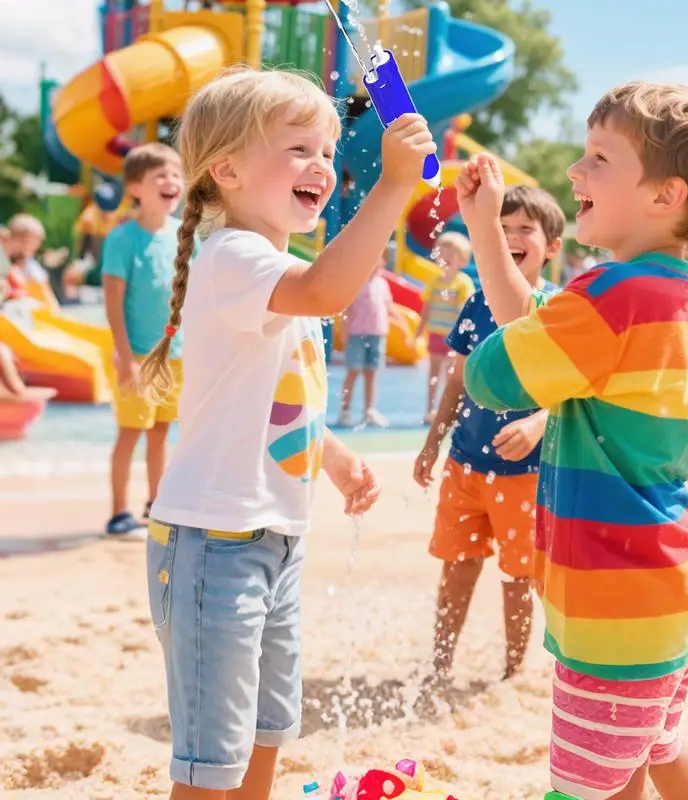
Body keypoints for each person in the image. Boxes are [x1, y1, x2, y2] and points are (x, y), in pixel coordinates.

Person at [457, 82, 688, 800]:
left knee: (581, 788)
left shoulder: (612, 298)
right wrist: (485, 232)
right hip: (665, 594)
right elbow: (536, 328)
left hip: (615, 610)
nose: (574, 171)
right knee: (650, 755)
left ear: (665, 196)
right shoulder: (671, 292)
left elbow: (495, 372)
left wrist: (498, 349)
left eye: (599, 157)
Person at [137, 68, 435, 800]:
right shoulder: (233, 255)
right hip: (213, 546)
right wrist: (393, 187)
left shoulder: (272, 265)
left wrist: (327, 453)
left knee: (268, 731)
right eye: (298, 147)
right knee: (213, 762)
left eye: (328, 150)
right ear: (227, 170)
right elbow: (331, 292)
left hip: (273, 541)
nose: (322, 166)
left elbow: (272, 391)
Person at [413, 185, 564, 685]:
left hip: (526, 474)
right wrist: (433, 442)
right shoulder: (477, 303)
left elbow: (576, 390)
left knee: (519, 576)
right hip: (465, 463)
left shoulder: (559, 310)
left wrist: (538, 421)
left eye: (525, 229)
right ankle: (439, 666)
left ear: (552, 246)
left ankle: (512, 672)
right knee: (456, 568)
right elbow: (457, 379)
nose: (513, 237)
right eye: (502, 230)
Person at [101, 143, 188, 538]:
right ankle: (119, 513)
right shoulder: (123, 239)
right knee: (131, 432)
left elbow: (198, 292)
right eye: (160, 176)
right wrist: (124, 356)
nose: (171, 182)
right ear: (136, 188)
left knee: (161, 430)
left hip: (176, 353)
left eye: (175, 174)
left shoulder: (184, 235)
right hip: (136, 353)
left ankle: (157, 505)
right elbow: (113, 303)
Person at [417, 231, 475, 422]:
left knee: (453, 376)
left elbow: (465, 310)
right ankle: (430, 409)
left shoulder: (462, 283)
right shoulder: (433, 282)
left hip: (454, 338)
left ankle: (452, 410)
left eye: (452, 254)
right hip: (435, 334)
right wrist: (418, 332)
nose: (446, 257)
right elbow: (427, 309)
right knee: (433, 374)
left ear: (463, 260)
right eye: (443, 253)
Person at [338, 250, 393, 428]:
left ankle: (370, 410)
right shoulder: (356, 283)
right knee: (353, 371)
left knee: (372, 372)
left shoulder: (382, 283)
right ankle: (345, 410)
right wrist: (344, 331)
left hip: (377, 333)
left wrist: (400, 327)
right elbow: (348, 310)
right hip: (357, 333)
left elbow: (388, 308)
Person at [6, 214, 60, 312]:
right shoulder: (6, 263)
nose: (27, 247)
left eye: (34, 243)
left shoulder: (32, 267)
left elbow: (46, 297)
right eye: (24, 241)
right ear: (10, 239)